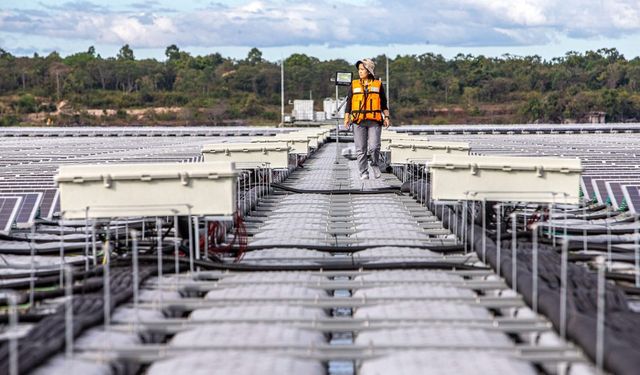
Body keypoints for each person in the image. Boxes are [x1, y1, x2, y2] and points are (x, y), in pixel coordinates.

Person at [343, 58, 391, 180]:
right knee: (361, 149)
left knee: (374, 147)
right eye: (359, 69)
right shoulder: (353, 84)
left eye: (362, 69)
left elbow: (384, 103)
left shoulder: (378, 85)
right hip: (358, 121)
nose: (360, 72)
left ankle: (374, 164)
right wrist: (346, 118)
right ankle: (364, 172)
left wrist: (386, 117)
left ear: (369, 71)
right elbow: (349, 103)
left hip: (374, 121)